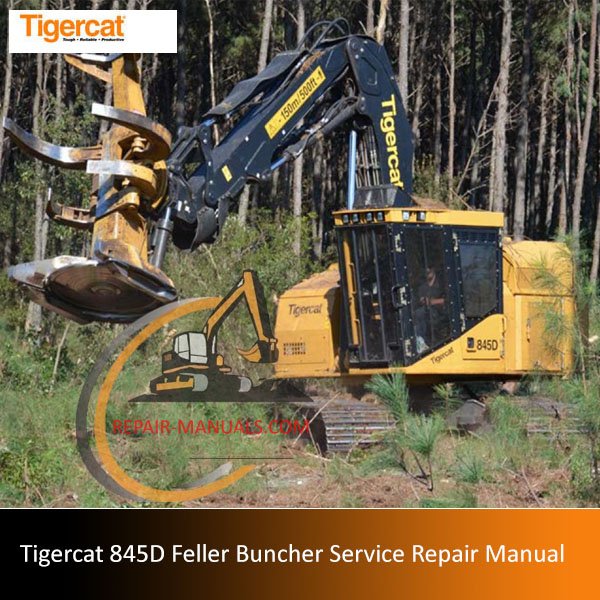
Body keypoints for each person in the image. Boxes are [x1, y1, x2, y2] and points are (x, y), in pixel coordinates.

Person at [414, 267, 446, 350]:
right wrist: (423, 301)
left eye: (429, 269)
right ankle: (421, 340)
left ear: (433, 270)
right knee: (419, 313)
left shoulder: (442, 284)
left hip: (441, 312)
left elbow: (448, 300)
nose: (427, 271)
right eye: (426, 270)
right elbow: (420, 300)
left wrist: (432, 301)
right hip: (426, 312)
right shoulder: (422, 287)